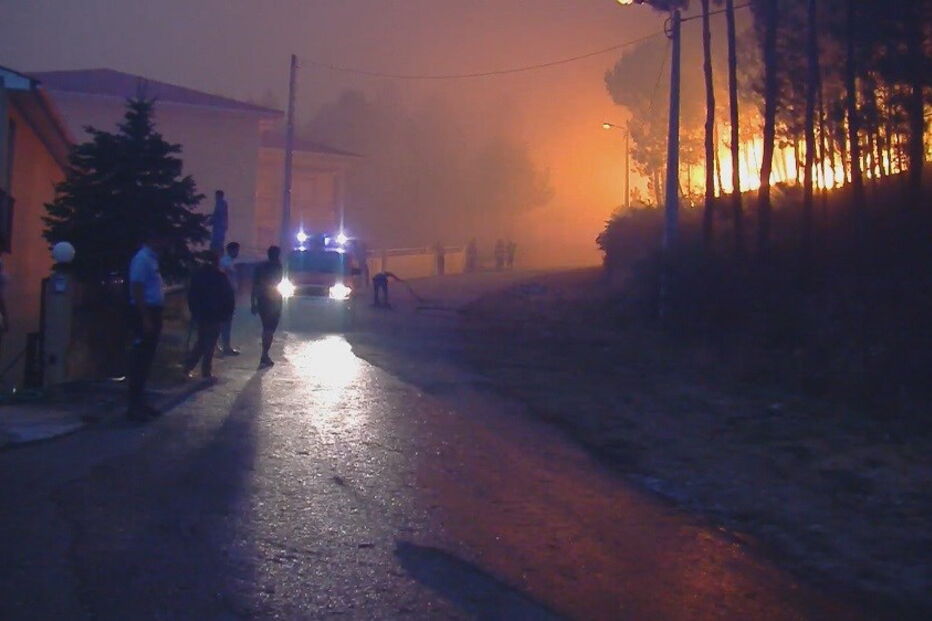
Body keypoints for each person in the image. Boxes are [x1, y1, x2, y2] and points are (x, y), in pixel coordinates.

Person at [127, 233, 168, 421]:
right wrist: (145, 317)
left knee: (146, 359)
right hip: (145, 312)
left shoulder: (152, 259)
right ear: (152, 238)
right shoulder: (142, 259)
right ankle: (134, 406)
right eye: (161, 238)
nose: (164, 242)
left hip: (153, 311)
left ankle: (141, 402)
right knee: (140, 358)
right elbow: (136, 287)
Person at [183, 252, 235, 380]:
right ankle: (205, 371)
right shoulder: (219, 277)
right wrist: (227, 313)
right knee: (209, 342)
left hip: (203, 313)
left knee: (202, 342)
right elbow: (228, 296)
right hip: (214, 314)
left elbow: (192, 296)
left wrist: (194, 312)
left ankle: (189, 367)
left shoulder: (199, 276)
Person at [251, 245, 283, 369]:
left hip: (261, 299)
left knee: (266, 327)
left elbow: (254, 285)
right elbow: (278, 281)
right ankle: (264, 354)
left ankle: (265, 354)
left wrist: (253, 302)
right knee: (270, 328)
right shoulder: (277, 267)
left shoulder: (260, 267)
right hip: (273, 300)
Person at [218, 241, 240, 355]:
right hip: (225, 295)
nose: (237, 253)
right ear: (231, 250)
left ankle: (225, 346)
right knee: (225, 321)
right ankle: (224, 347)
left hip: (229, 294)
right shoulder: (225, 262)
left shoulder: (229, 261)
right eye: (236, 250)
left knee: (226, 321)